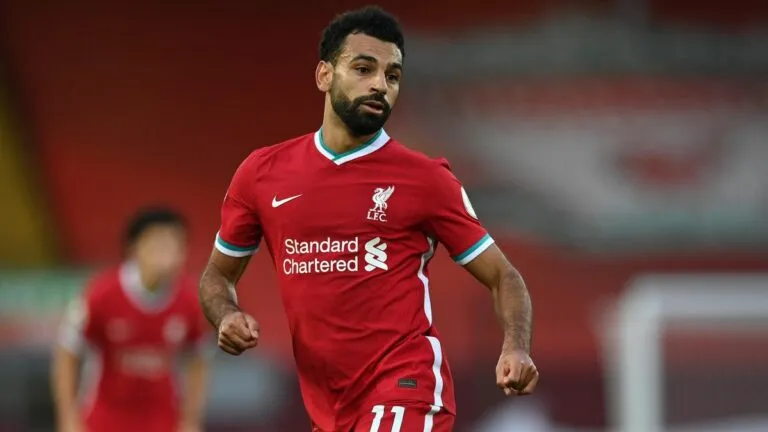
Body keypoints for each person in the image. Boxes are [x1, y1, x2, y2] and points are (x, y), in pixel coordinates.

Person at [199, 6, 538, 432]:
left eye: (392, 76)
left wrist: (516, 347)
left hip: (406, 386)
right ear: (324, 75)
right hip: (329, 407)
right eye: (364, 69)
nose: (380, 84)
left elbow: (504, 276)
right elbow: (217, 275)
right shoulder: (261, 174)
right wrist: (226, 314)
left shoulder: (426, 178)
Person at [51, 207, 210, 432]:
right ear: (134, 248)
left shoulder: (191, 301)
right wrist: (68, 418)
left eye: (175, 244)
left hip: (162, 421)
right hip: (104, 419)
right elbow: (67, 350)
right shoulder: (101, 294)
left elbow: (198, 358)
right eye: (159, 244)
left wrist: (191, 420)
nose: (167, 253)